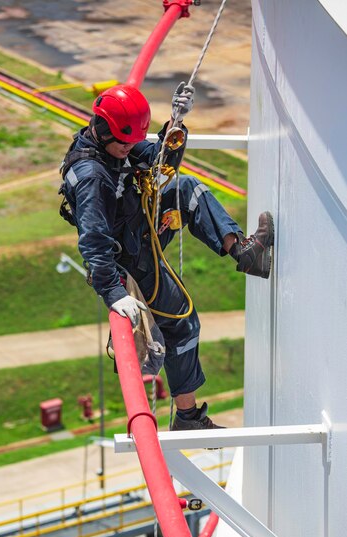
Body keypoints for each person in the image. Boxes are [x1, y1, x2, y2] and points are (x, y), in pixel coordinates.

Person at [59, 83, 274, 431]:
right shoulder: (92, 177)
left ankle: (245, 253)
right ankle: (188, 418)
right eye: (125, 142)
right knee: (182, 326)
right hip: (132, 263)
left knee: (187, 189)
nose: (130, 148)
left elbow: (160, 161)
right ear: (103, 131)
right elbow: (94, 240)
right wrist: (114, 292)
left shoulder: (110, 145)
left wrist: (175, 126)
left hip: (140, 230)